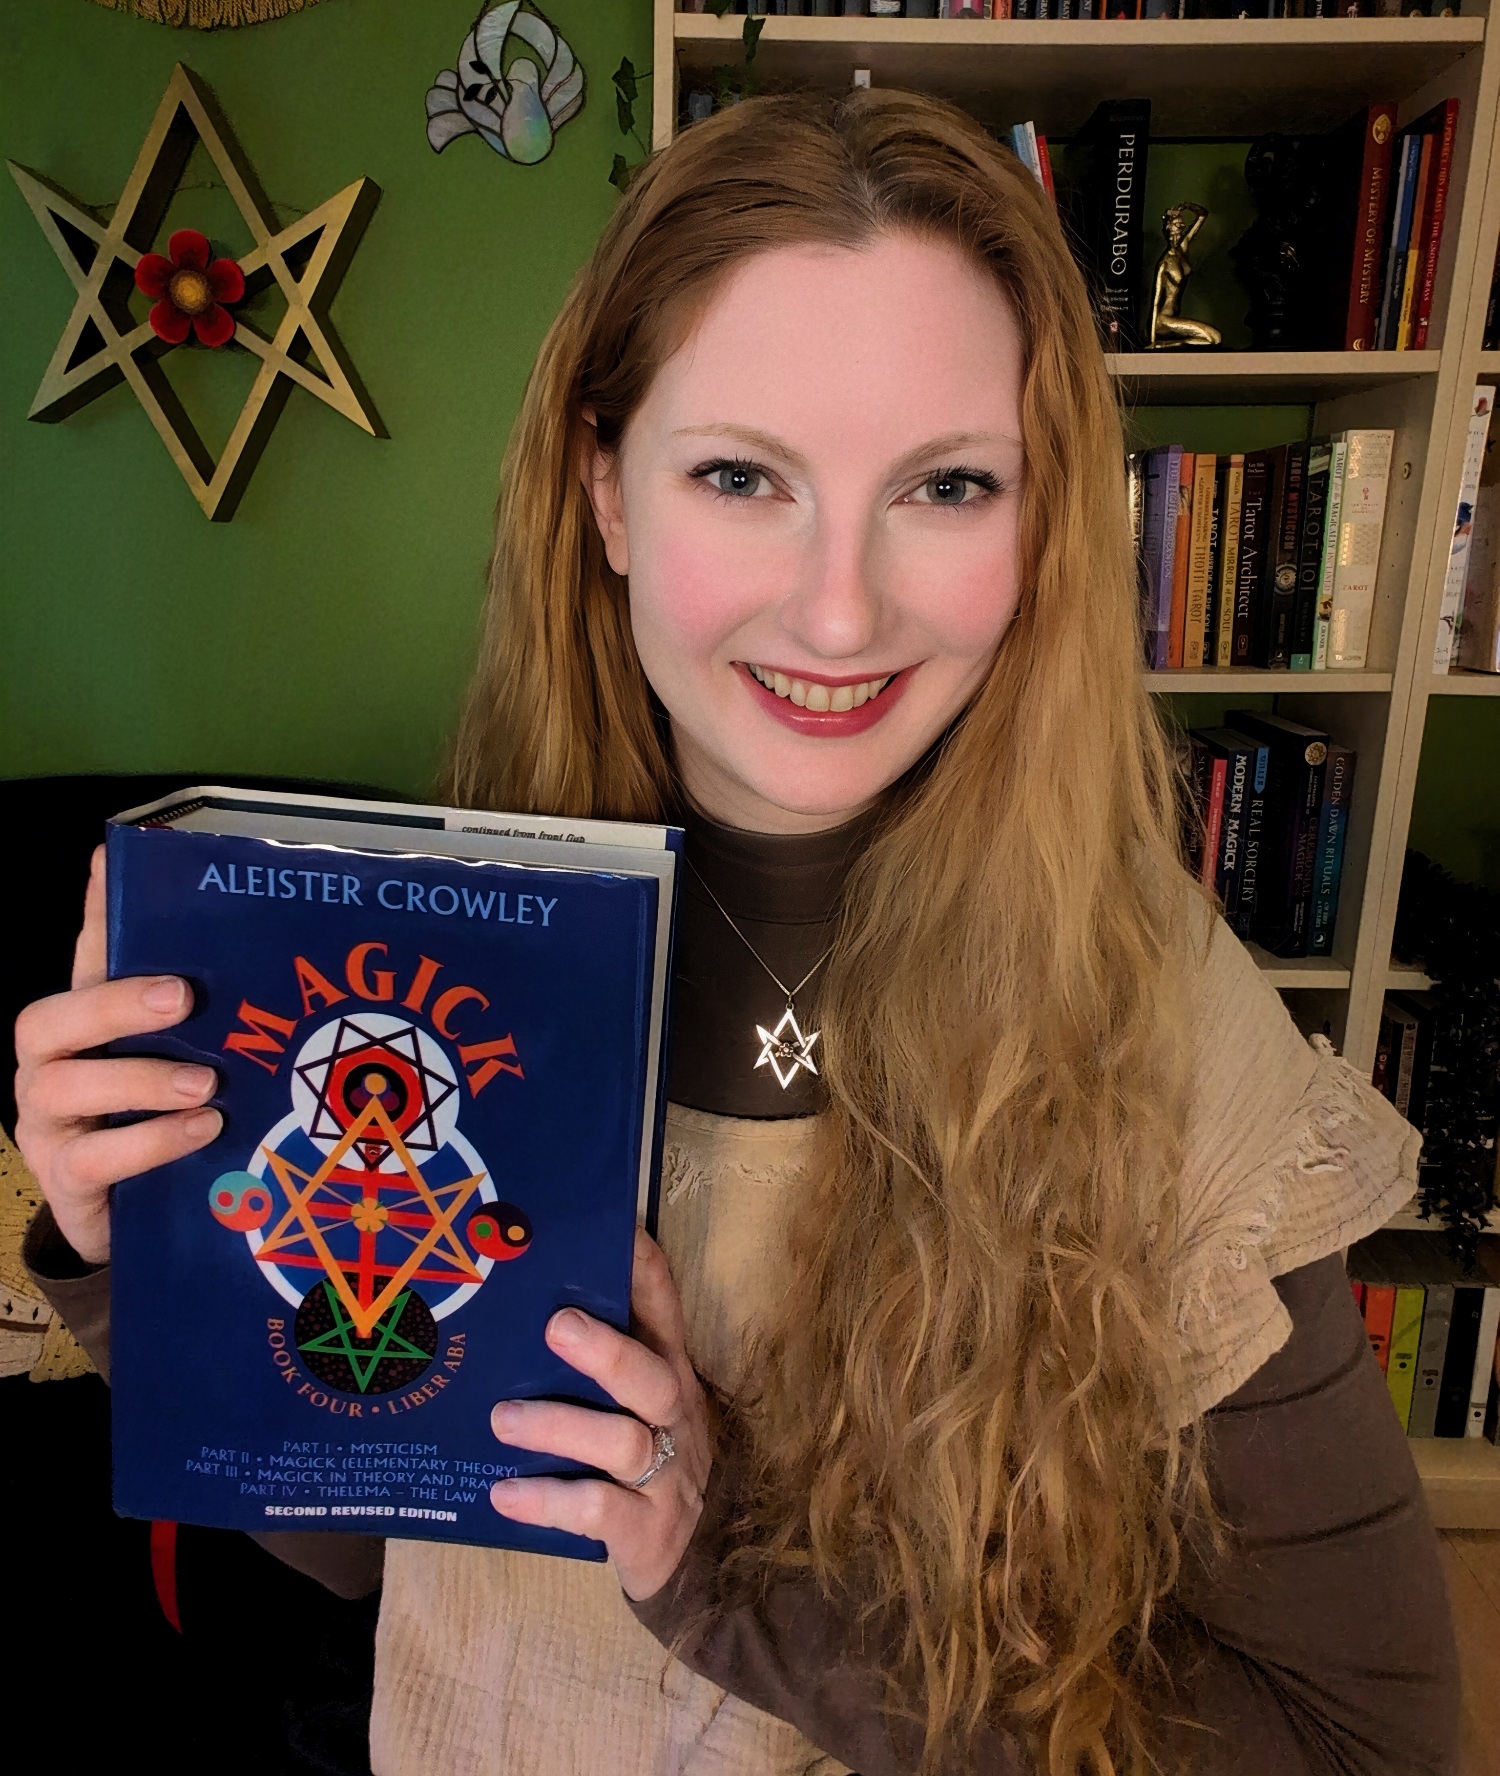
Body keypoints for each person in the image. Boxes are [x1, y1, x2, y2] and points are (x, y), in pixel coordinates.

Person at [14, 88, 1459, 1776]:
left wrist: (729, 1576)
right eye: (738, 475)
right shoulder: (439, 944)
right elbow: (365, 1553)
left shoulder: (1158, 1022)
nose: (840, 611)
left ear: (1043, 517)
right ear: (607, 493)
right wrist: (143, 1259)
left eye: (947, 485)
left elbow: (1369, 1746)